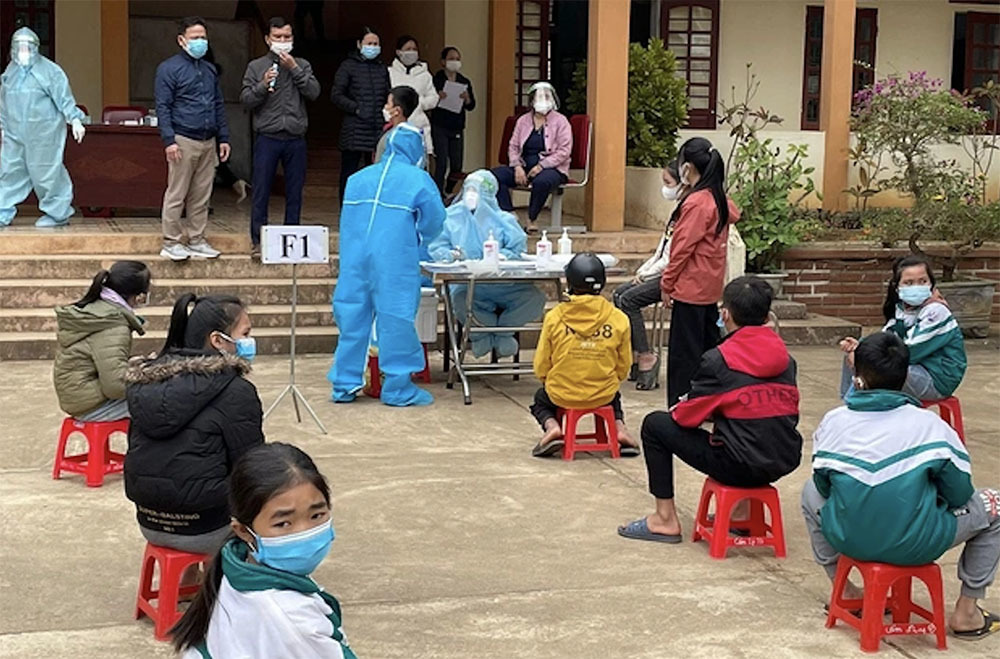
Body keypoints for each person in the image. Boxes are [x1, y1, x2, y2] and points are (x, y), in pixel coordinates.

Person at [803, 331, 999, 640]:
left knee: (809, 491)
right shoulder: (932, 426)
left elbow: (824, 486)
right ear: (906, 375)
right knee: (994, 504)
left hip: (848, 538)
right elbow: (960, 493)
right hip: (917, 544)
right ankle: (967, 611)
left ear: (856, 375)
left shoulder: (833, 421)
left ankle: (847, 590)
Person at [619, 276, 802, 543]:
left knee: (655, 425)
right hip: (784, 458)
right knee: (748, 423)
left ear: (724, 314)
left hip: (738, 464)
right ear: (766, 318)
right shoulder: (787, 359)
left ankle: (664, 519)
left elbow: (686, 417)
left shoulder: (719, 359)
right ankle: (741, 513)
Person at [172, 443, 357, 657]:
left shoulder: (236, 563)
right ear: (244, 531)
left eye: (317, 515)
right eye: (283, 523)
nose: (305, 532)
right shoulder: (294, 621)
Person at [124, 294, 264, 556]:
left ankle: (189, 575)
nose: (250, 341)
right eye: (245, 334)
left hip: (149, 522)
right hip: (207, 528)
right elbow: (251, 466)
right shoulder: (236, 390)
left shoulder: (146, 382)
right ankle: (219, 574)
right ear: (217, 340)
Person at [329, 110, 445, 407]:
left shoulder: (356, 179)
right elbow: (434, 222)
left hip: (354, 260)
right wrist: (421, 239)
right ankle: (397, 387)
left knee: (351, 321)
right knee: (396, 321)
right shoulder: (418, 180)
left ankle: (344, 384)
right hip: (394, 261)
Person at [530, 252, 639, 458]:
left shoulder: (554, 317)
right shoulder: (619, 318)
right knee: (614, 397)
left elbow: (542, 364)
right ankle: (619, 429)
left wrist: (549, 380)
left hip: (562, 392)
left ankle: (552, 428)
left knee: (540, 399)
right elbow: (624, 365)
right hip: (602, 393)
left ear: (570, 282)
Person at [428, 169, 545, 357]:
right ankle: (482, 334)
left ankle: (501, 333)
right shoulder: (450, 217)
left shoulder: (504, 220)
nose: (470, 195)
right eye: (468, 189)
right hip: (467, 284)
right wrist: (451, 255)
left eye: (476, 190)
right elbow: (437, 246)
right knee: (459, 299)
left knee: (534, 298)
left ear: (488, 193)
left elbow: (517, 247)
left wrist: (504, 256)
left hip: (503, 283)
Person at [660, 137, 741, 407]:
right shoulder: (718, 198)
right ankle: (708, 403)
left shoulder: (697, 203)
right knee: (708, 351)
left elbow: (681, 249)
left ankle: (681, 407)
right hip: (710, 289)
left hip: (690, 288)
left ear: (688, 167)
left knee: (684, 357)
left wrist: (667, 283)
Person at [241, 16, 321, 261]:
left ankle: (291, 239)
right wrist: (262, 85)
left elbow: (314, 92)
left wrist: (294, 69)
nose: (282, 41)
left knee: (294, 191)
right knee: (261, 190)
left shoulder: (303, 65)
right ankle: (258, 240)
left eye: (287, 37)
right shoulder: (256, 66)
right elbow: (246, 100)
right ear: (268, 39)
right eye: (278, 37)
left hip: (295, 137)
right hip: (268, 136)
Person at [839, 254, 967, 402]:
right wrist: (858, 347)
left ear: (931, 284)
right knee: (854, 354)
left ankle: (856, 406)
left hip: (936, 379)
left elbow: (909, 351)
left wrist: (862, 357)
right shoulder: (902, 309)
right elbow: (884, 341)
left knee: (874, 366)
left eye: (923, 281)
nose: (916, 287)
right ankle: (848, 404)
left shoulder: (936, 312)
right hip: (913, 367)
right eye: (909, 283)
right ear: (897, 287)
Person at [155, 16, 231, 262]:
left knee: (201, 194)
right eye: (195, 37)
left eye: (203, 37)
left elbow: (218, 104)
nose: (200, 42)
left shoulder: (209, 70)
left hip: (208, 140)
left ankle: (197, 239)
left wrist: (223, 137)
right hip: (183, 139)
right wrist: (169, 140)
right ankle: (171, 241)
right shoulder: (168, 69)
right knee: (177, 193)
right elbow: (163, 106)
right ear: (181, 40)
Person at [0, 26, 86, 228]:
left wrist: (74, 119)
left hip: (44, 134)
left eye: (27, 47)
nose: (23, 52)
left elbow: (64, 98)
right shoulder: (10, 72)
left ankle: (58, 214)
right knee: (10, 171)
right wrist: (3, 127)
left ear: (36, 48)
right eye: (19, 47)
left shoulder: (50, 71)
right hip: (14, 134)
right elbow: (4, 102)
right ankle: (2, 211)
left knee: (47, 172)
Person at [613, 159, 685, 391]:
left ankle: (646, 355)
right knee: (618, 294)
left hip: (674, 276)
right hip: (660, 271)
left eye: (668, 183)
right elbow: (660, 251)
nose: (665, 188)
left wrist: (646, 276)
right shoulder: (676, 212)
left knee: (629, 299)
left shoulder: (688, 212)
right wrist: (642, 271)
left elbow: (671, 259)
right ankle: (635, 354)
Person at [53, 261, 150, 422]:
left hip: (76, 397)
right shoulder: (114, 324)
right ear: (139, 295)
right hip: (90, 406)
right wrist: (146, 379)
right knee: (163, 402)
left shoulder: (99, 310)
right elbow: (115, 386)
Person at [492, 82, 572, 234]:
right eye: (539, 97)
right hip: (524, 166)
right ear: (531, 100)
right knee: (495, 176)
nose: (543, 100)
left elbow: (564, 151)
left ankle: (532, 218)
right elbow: (513, 146)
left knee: (542, 181)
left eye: (546, 96)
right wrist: (517, 166)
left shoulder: (561, 121)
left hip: (552, 169)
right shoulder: (523, 121)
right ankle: (509, 215)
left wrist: (541, 166)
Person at [331, 27, 390, 207]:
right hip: (354, 130)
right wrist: (356, 109)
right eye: (369, 43)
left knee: (374, 175)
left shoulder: (382, 68)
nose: (373, 47)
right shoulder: (348, 66)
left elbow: (387, 93)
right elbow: (336, 95)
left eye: (376, 44)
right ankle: (346, 209)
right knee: (350, 174)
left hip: (376, 129)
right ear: (359, 44)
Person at [431, 46, 475, 193]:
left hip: (457, 126)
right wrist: (437, 97)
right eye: (451, 59)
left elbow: (471, 105)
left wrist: (467, 99)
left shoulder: (464, 81)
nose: (454, 62)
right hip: (440, 125)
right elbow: (429, 101)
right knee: (441, 162)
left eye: (457, 59)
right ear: (443, 61)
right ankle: (438, 193)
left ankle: (449, 190)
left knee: (457, 165)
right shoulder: (436, 80)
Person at [388, 35, 438, 164]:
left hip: (419, 126)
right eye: (408, 49)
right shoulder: (389, 73)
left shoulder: (425, 75)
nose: (412, 52)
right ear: (399, 52)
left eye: (414, 49)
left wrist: (418, 103)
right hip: (395, 127)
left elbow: (433, 98)